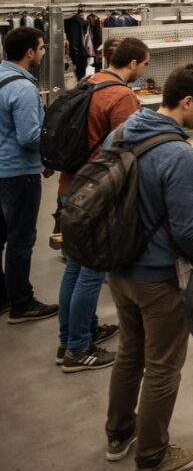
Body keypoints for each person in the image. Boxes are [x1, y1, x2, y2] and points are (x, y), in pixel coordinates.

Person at [104, 63, 193, 471]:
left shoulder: (122, 133)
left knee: (129, 353)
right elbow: (187, 226)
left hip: (117, 268)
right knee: (163, 366)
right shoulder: (177, 153)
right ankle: (152, 458)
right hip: (157, 277)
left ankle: (118, 434)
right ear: (187, 101)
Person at [56, 38, 150, 373]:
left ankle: (70, 337)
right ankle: (78, 349)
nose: (144, 72)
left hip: (73, 187)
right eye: (145, 65)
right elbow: (128, 150)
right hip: (97, 196)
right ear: (135, 63)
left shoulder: (89, 82)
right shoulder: (122, 95)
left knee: (75, 267)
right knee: (92, 273)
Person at [0, 26, 57, 323]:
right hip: (18, 173)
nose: (44, 52)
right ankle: (22, 303)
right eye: (42, 47)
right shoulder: (22, 88)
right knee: (21, 239)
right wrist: (51, 150)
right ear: (29, 52)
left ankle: (3, 295)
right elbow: (28, 136)